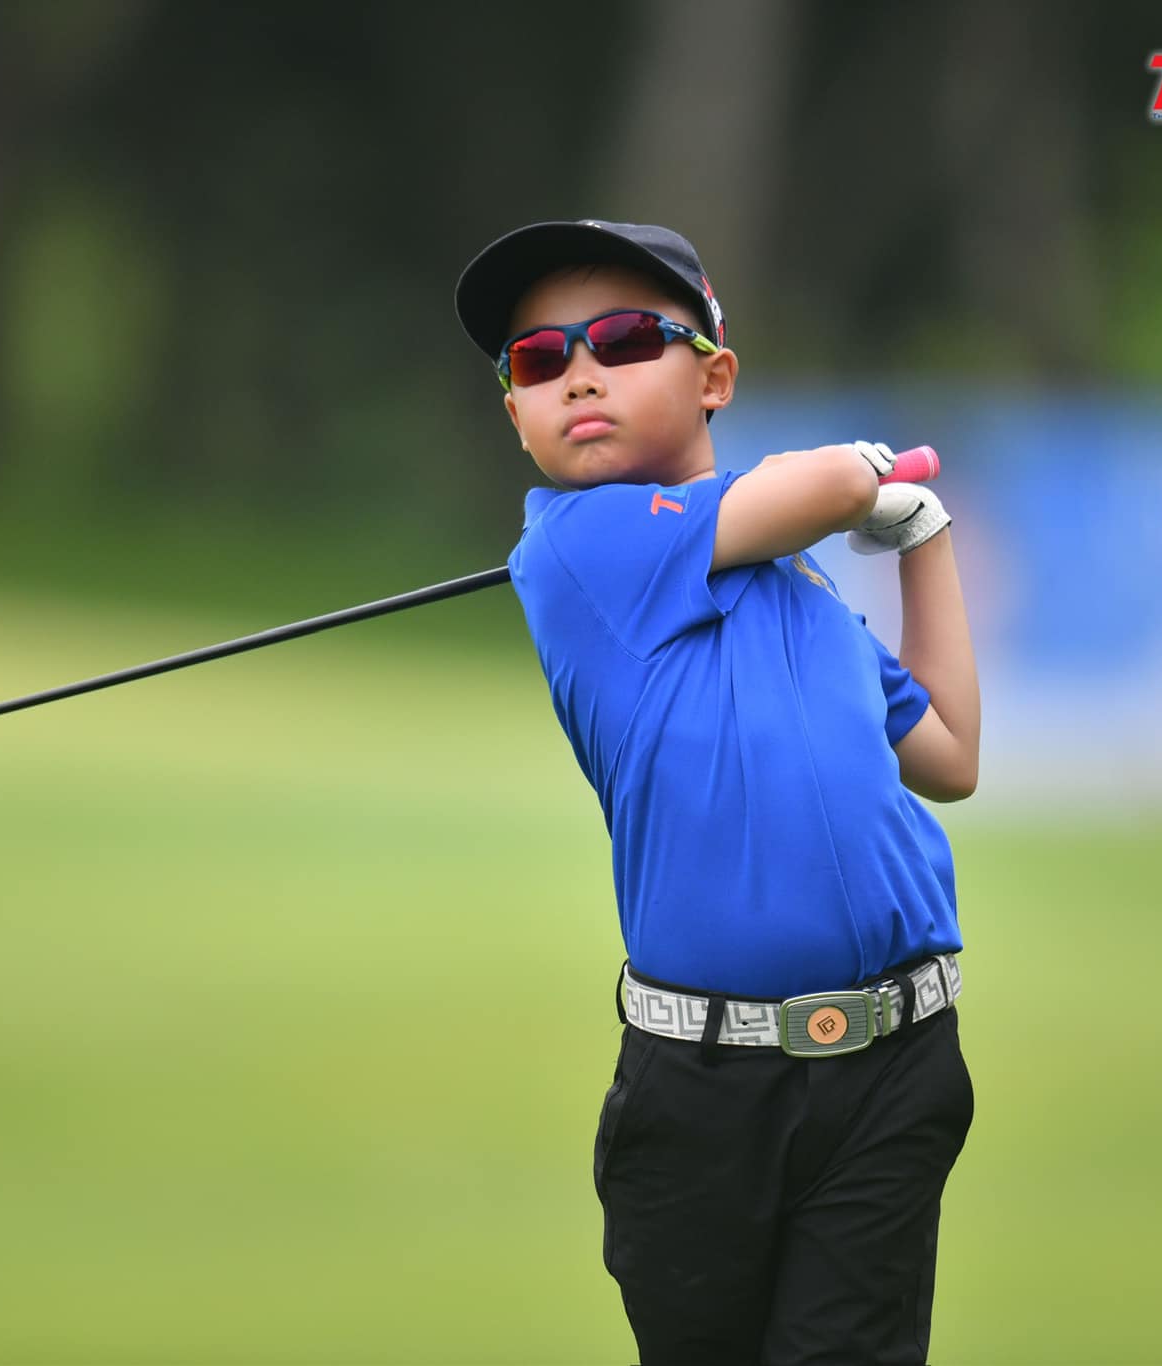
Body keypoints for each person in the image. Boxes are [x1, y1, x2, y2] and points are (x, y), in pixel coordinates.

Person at [454, 219, 980, 1365]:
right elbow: (827, 479)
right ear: (516, 415)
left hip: (895, 1064)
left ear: (714, 378)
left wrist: (922, 541)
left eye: (621, 340)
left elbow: (947, 755)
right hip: (703, 1093)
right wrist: (857, 477)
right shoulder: (575, 544)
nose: (577, 373)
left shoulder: (801, 591)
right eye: (537, 360)